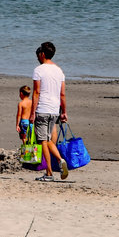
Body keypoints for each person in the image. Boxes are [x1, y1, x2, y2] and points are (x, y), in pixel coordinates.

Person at [31, 41, 69, 181]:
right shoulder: (59, 71)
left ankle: (49, 173)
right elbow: (62, 94)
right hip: (54, 109)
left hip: (42, 108)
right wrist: (64, 112)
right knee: (48, 140)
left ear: (42, 54)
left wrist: (32, 112)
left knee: (43, 141)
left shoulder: (39, 70)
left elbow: (36, 92)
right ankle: (60, 161)